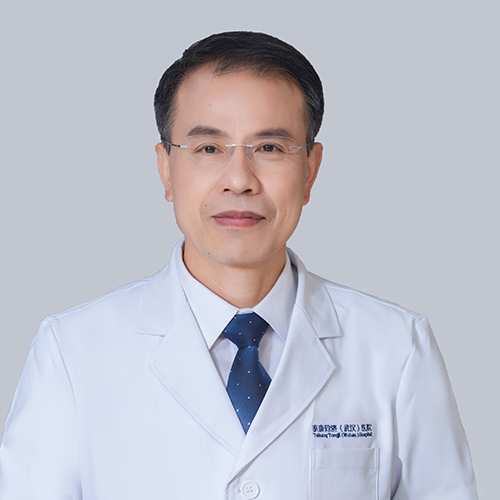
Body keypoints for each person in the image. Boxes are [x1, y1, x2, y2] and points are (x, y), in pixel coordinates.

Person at [0, 31, 478, 500]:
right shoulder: (72, 352)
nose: (239, 180)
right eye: (208, 149)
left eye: (269, 148)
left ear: (310, 170)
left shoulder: (396, 347)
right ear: (166, 169)